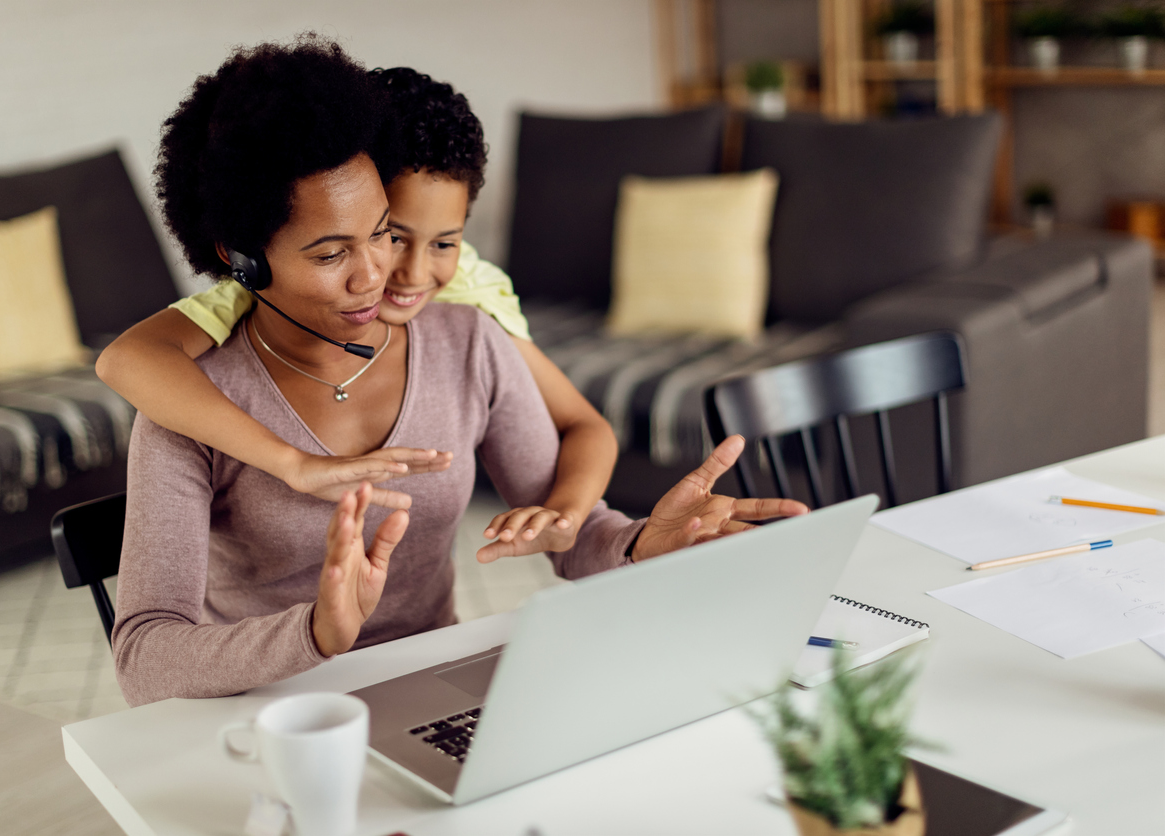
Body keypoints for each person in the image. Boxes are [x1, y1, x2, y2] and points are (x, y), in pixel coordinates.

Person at [112, 35, 806, 707]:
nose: (376, 275)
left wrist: (639, 542)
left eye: (381, 231)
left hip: (433, 697)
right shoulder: (192, 403)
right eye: (330, 255)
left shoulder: (466, 343)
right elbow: (144, 658)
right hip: (268, 718)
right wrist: (314, 634)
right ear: (243, 259)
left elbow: (571, 536)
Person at [96, 67, 615, 559]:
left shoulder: (472, 295)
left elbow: (583, 426)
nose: (400, 274)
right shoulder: (255, 292)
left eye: (442, 243)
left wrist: (565, 518)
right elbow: (126, 359)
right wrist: (291, 464)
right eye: (390, 235)